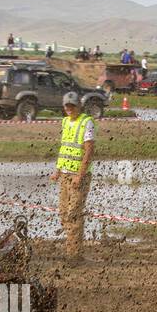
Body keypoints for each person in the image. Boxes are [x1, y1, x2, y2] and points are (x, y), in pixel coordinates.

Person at [51, 92, 96, 264]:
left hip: (79, 176)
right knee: (63, 213)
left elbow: (89, 150)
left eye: (72, 105)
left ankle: (74, 254)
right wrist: (57, 170)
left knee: (74, 214)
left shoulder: (87, 122)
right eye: (67, 106)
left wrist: (80, 175)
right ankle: (73, 247)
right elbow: (64, 149)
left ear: (79, 106)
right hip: (64, 175)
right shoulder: (65, 122)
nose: (69, 108)